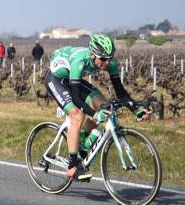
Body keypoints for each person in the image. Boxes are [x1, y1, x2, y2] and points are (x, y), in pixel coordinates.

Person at [44, 33, 151, 181]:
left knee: (104, 107)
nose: (107, 62)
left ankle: (82, 143)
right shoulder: (80, 62)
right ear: (92, 54)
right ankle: (72, 167)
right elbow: (75, 98)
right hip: (57, 79)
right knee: (77, 116)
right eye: (103, 59)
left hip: (73, 79)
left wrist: (136, 109)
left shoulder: (110, 63)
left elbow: (120, 91)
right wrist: (94, 115)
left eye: (109, 58)